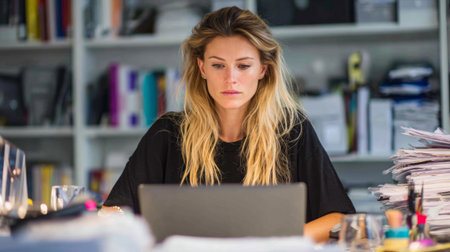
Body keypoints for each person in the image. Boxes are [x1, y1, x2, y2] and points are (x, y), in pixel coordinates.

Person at [102, 6, 355, 242]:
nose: (230, 79)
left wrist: (275, 241)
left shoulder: (292, 131)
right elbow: (113, 211)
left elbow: (339, 218)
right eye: (218, 65)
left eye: (243, 66)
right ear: (202, 68)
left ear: (263, 70)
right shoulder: (167, 134)